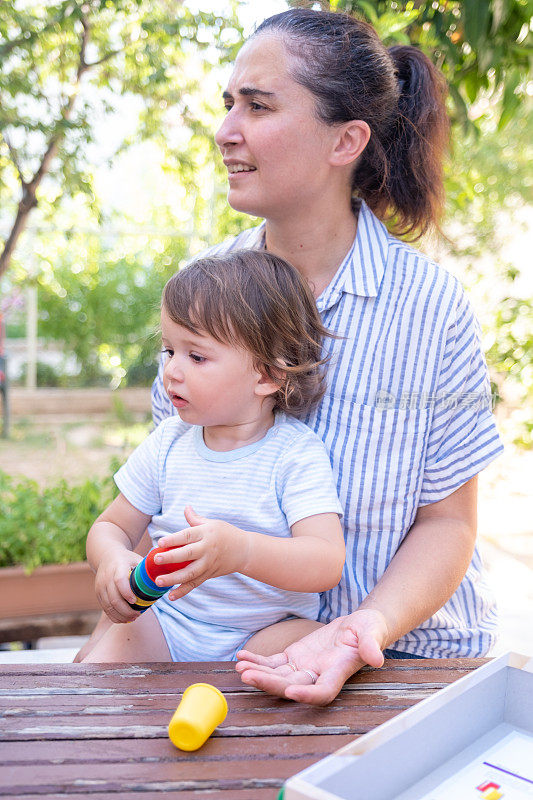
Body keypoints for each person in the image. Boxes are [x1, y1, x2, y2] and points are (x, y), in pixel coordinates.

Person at [77, 7, 503, 703]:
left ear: (346, 141)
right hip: (229, 665)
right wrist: (121, 587)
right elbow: (164, 494)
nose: (225, 130)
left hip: (402, 658)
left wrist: (357, 630)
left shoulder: (431, 308)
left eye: (257, 105)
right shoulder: (203, 293)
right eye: (227, 104)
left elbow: (448, 523)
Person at [81, 251, 345, 663]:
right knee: (102, 666)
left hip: (261, 634)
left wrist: (241, 552)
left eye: (196, 356)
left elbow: (326, 561)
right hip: (169, 624)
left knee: (318, 642)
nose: (171, 371)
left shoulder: (294, 453)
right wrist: (112, 559)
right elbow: (111, 526)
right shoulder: (169, 443)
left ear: (267, 375)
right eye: (170, 351)